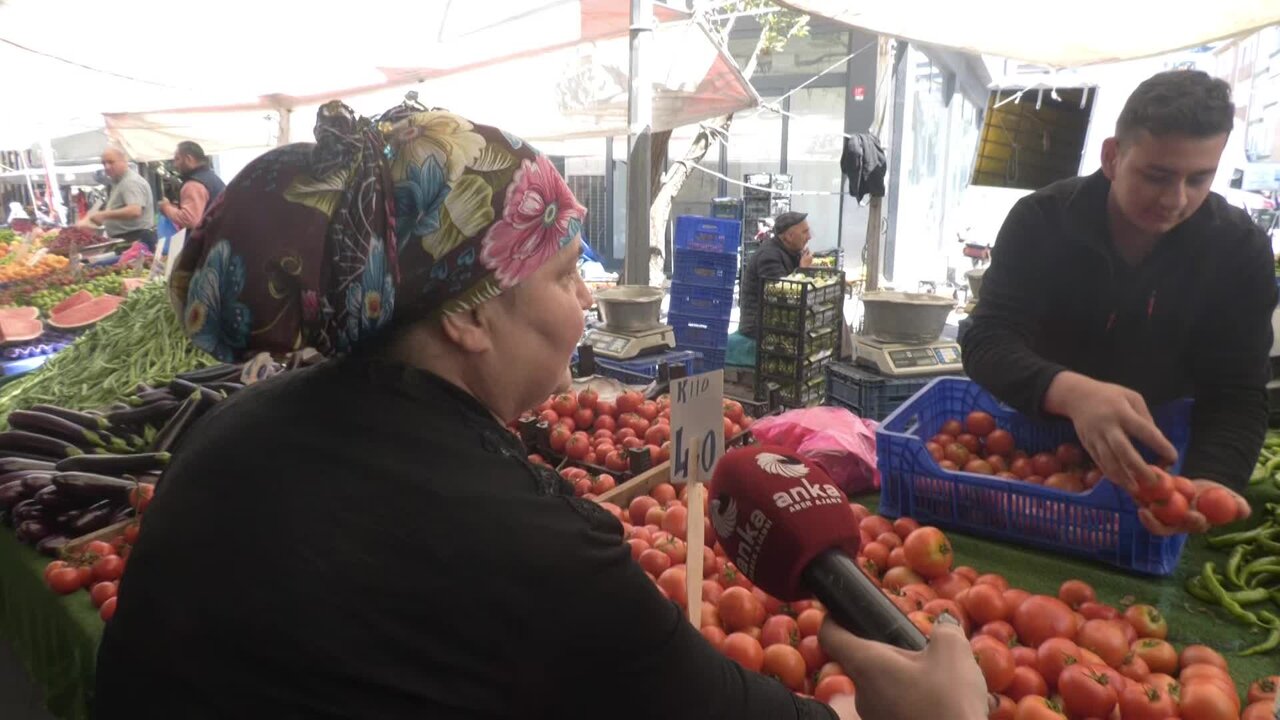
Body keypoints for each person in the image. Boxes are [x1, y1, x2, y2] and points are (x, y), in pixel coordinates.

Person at [94, 101, 988, 720]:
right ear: (467, 316)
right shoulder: (518, 541)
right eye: (564, 276)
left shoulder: (230, 433)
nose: (585, 305)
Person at [961, 70, 1270, 535]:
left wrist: (1210, 480)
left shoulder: (1238, 251)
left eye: (1199, 178)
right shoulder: (1041, 220)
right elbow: (987, 339)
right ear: (1112, 156)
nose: (1176, 199)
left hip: (1153, 464)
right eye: (1156, 176)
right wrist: (1073, 393)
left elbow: (1237, 392)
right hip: (1031, 449)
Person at [727, 211, 814, 366]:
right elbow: (781, 295)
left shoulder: (791, 251)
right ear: (789, 237)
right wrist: (802, 271)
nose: (809, 237)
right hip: (759, 324)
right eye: (805, 232)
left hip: (776, 319)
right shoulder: (769, 256)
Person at [81, 146, 156, 249]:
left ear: (124, 161)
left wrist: (104, 215)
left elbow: (134, 211)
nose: (107, 167)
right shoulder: (118, 183)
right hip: (128, 239)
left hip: (135, 240)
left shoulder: (130, 182)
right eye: (104, 163)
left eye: (111, 162)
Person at [159, 141, 225, 230]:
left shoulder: (194, 184)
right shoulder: (212, 178)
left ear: (188, 159)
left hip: (208, 237)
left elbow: (189, 220)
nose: (175, 165)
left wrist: (166, 208)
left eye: (177, 159)